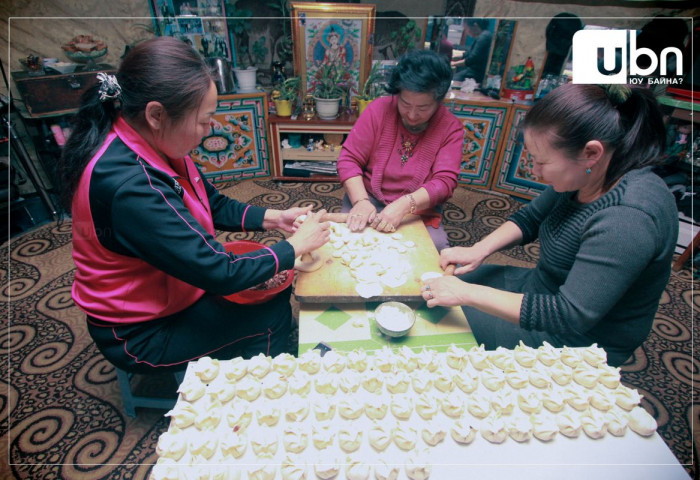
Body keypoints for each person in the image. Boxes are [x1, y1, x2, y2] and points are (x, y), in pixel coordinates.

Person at [58, 37, 330, 374]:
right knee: (271, 314)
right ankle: (264, 395)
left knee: (270, 288)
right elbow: (220, 272)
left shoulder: (149, 141)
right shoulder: (130, 186)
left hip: (173, 290)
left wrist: (275, 217)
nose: (209, 130)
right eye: (204, 121)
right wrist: (293, 247)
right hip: (139, 332)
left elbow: (209, 201)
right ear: (156, 114)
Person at [421, 83, 678, 367]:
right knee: (427, 289)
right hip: (540, 287)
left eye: (541, 162)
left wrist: (466, 294)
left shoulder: (628, 218)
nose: (534, 170)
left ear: (591, 152)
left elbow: (568, 314)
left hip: (576, 338)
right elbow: (530, 218)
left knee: (433, 321)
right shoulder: (588, 171)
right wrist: (478, 249)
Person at [336, 49, 463, 252]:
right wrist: (361, 201)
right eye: (405, 104)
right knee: (349, 245)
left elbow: (445, 182)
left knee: (432, 249)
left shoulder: (450, 128)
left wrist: (405, 204)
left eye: (423, 108)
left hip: (418, 207)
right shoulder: (378, 110)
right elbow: (349, 160)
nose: (412, 115)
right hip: (366, 198)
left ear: (439, 101)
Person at [453, 19, 493, 85]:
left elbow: (472, 59)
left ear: (475, 26)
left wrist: (453, 64)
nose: (466, 32)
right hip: (474, 70)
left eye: (466, 29)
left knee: (453, 80)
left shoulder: (484, 37)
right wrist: (454, 57)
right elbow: (469, 53)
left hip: (476, 72)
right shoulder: (484, 35)